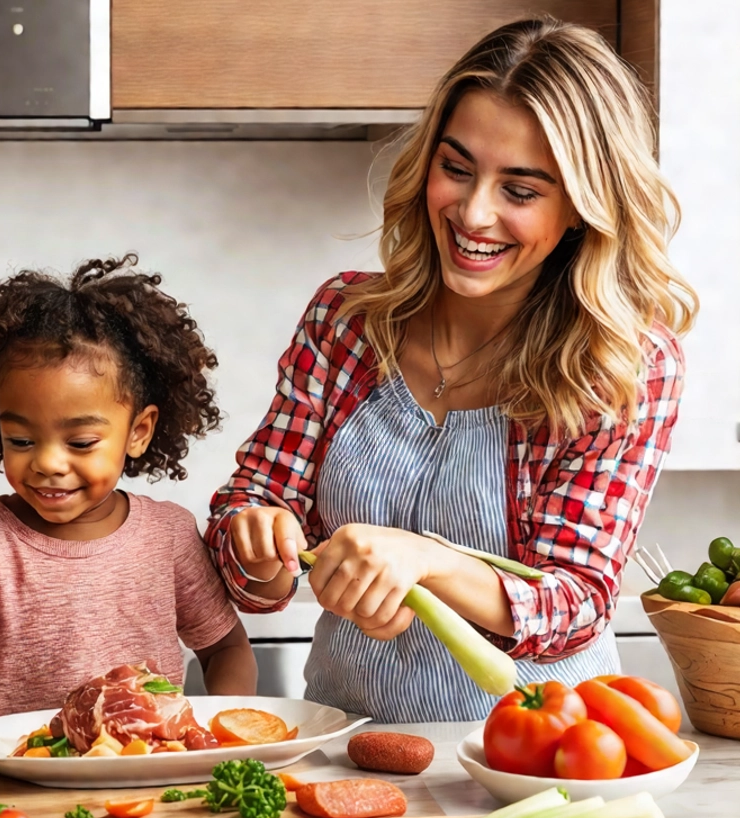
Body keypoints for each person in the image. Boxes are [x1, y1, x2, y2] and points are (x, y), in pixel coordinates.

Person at [205, 18, 697, 723]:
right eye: (457, 168)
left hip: (540, 753)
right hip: (346, 743)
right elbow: (251, 510)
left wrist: (424, 561)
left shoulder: (624, 365)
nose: (473, 212)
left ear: (583, 212)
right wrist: (256, 543)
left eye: (520, 191)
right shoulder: (345, 321)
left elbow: (576, 602)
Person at [0, 254, 256, 724]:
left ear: (139, 431)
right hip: (13, 788)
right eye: (20, 440)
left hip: (144, 780)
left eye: (81, 442)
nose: (46, 462)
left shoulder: (166, 535)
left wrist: (217, 729)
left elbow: (226, 649)